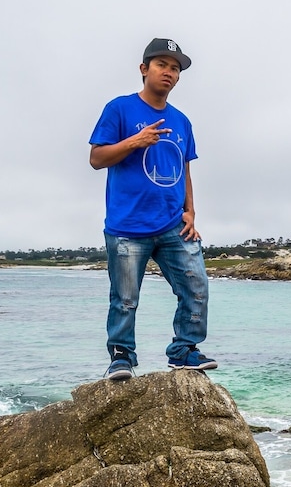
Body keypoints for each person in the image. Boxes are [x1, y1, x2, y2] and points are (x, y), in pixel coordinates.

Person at [89, 37, 217, 381]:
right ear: (144, 69)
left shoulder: (182, 121)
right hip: (127, 226)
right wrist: (136, 141)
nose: (169, 72)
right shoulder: (119, 109)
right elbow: (96, 158)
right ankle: (122, 357)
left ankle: (184, 351)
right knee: (125, 299)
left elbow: (184, 168)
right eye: (162, 65)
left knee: (196, 287)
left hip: (174, 224)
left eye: (175, 68)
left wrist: (191, 212)